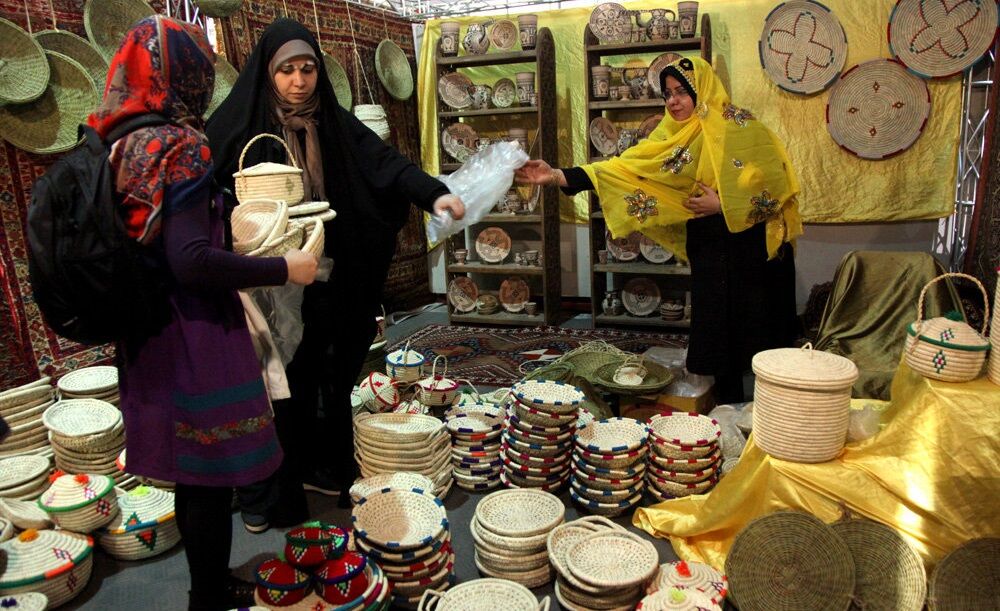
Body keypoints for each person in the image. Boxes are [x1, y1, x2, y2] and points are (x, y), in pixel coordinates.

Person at [88, 16, 318, 611]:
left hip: (146, 327)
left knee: (192, 469)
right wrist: (281, 268)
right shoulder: (180, 145)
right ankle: (209, 597)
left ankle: (207, 588)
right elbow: (191, 260)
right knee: (212, 472)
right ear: (184, 74)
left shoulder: (114, 139)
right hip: (196, 329)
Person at [206, 19, 465, 521]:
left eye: (307, 69)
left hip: (331, 271)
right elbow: (206, 192)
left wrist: (435, 193)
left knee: (336, 366)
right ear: (268, 74)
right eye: (287, 71)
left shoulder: (335, 123)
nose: (298, 81)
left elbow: (387, 163)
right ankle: (280, 482)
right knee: (285, 380)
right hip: (272, 280)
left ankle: (329, 467)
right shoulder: (240, 124)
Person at [516, 57, 802, 404]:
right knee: (718, 337)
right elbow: (622, 169)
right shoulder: (668, 137)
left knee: (759, 339)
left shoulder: (741, 127)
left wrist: (724, 204)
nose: (673, 101)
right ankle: (727, 417)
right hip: (711, 248)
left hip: (752, 250)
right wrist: (558, 175)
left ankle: (778, 420)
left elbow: (777, 183)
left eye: (682, 92)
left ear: (702, 90)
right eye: (667, 94)